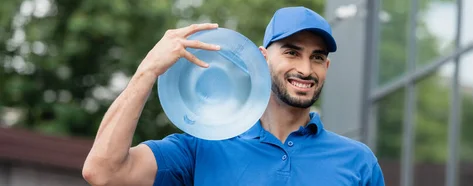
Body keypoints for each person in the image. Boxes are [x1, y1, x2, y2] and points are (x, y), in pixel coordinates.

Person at [82, 6, 385, 186]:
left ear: (327, 66)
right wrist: (146, 71)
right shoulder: (201, 148)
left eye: (317, 58)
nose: (305, 69)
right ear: (262, 58)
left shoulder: (357, 161)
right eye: (292, 53)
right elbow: (103, 172)